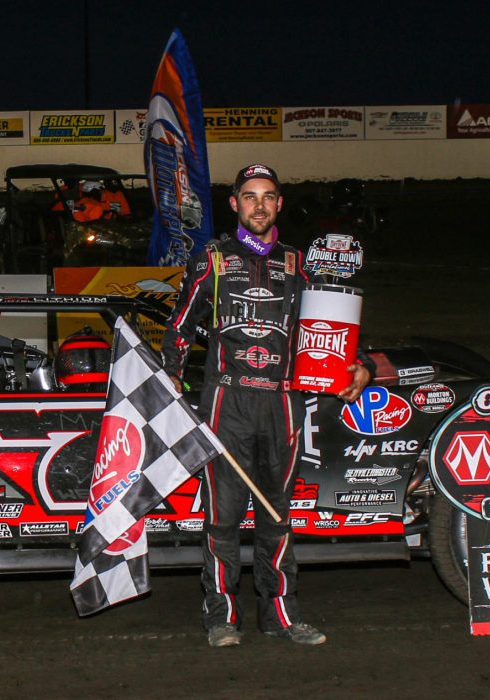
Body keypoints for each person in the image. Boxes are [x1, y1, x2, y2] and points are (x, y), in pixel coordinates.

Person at [161, 163, 372, 648]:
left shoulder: (301, 264)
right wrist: (171, 374)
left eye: (269, 196)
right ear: (234, 203)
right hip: (226, 399)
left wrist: (357, 365)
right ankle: (221, 618)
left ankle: (281, 614)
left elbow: (330, 327)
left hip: (282, 402)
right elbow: (179, 327)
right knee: (223, 516)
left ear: (280, 204)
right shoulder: (211, 260)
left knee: (277, 514)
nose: (259, 204)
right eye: (250, 196)